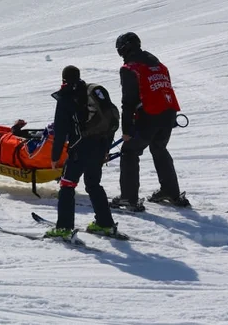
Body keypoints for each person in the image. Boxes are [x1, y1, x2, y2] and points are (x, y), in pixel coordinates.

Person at [110, 32, 189, 211]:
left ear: (124, 49)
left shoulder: (131, 68)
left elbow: (128, 102)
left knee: (129, 152)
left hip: (149, 116)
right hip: (168, 114)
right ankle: (171, 191)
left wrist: (127, 129)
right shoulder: (159, 65)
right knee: (158, 148)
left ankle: (128, 198)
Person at [45, 65, 123, 240]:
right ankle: (105, 224)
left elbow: (60, 131)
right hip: (101, 145)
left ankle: (64, 228)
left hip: (80, 148)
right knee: (93, 184)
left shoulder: (65, 98)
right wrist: (105, 149)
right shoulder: (92, 92)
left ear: (63, 79)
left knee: (67, 185)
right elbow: (110, 121)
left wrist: (55, 157)